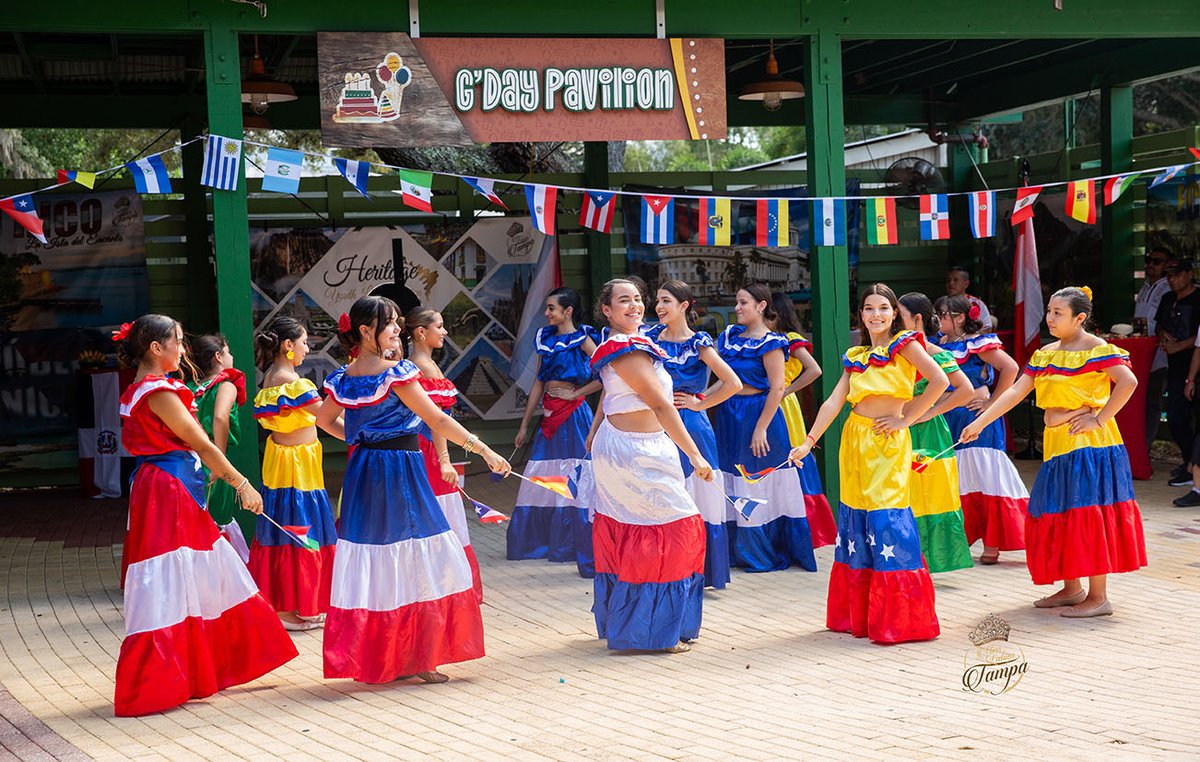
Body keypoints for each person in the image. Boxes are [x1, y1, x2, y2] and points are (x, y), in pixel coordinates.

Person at [316, 296, 511, 684]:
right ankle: (418, 656)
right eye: (389, 324)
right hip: (400, 472)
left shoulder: (345, 375)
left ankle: (387, 655)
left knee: (377, 559)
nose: (397, 330)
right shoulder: (396, 373)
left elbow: (325, 421)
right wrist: (486, 450)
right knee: (420, 555)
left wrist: (361, 442)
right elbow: (436, 417)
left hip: (364, 472)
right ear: (365, 330)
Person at [113, 315, 296, 716]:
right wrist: (242, 484)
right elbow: (202, 444)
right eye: (177, 341)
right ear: (155, 348)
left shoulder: (145, 389)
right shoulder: (156, 391)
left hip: (167, 487)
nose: (183, 348)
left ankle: (194, 670)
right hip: (167, 491)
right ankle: (167, 676)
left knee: (195, 572)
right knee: (176, 576)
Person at [962, 287, 1146, 617]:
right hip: (1058, 447)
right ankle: (1073, 588)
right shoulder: (1046, 353)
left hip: (1091, 449)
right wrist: (982, 421)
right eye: (1049, 311)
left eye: (1058, 313)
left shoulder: (1097, 349)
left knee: (1088, 515)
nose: (1050, 318)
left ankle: (1099, 596)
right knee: (1059, 512)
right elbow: (1016, 391)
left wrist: (1099, 418)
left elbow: (1128, 382)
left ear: (1080, 317)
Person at [789, 284, 948, 644]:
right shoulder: (856, 354)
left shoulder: (905, 345)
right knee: (857, 520)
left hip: (887, 441)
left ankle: (902, 620)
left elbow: (940, 381)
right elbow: (832, 402)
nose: (875, 314)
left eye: (883, 308)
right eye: (868, 308)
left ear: (894, 313)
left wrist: (907, 420)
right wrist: (808, 441)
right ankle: (859, 616)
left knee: (887, 519)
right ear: (860, 315)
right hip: (855, 440)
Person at [586, 278, 710, 652]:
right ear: (606, 310)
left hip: (644, 446)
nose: (635, 306)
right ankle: (651, 631)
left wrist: (592, 434)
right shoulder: (625, 348)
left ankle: (639, 624)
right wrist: (695, 454)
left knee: (646, 530)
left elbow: (609, 397)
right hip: (633, 453)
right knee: (671, 530)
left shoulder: (633, 344)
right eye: (624, 301)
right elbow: (661, 404)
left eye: (638, 299)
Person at [714, 283, 829, 573]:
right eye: (737, 303)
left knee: (759, 479)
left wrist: (761, 429)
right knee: (732, 478)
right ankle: (736, 549)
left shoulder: (773, 342)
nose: (737, 308)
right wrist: (700, 402)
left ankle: (764, 550)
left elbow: (778, 388)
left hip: (759, 414)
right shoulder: (728, 338)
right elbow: (722, 381)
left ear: (761, 306)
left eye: (743, 303)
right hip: (729, 415)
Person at [643, 280, 742, 588]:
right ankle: (664, 566)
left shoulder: (698, 343)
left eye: (666, 301)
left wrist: (701, 404)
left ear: (684, 306)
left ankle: (702, 570)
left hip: (691, 425)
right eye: (657, 301)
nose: (659, 307)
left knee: (699, 495)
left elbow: (733, 383)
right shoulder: (648, 338)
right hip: (656, 423)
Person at [249, 317, 338, 631]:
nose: (307, 348)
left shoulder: (270, 378)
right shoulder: (294, 383)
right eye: (303, 342)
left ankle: (288, 605)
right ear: (288, 346)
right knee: (301, 529)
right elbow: (328, 420)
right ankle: (296, 608)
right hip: (297, 470)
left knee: (284, 531)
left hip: (281, 464)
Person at [510, 287, 601, 577]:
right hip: (549, 416)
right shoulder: (545, 339)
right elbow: (539, 382)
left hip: (575, 416)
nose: (547, 313)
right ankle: (540, 541)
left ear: (568, 311)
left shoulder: (585, 338)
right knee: (542, 474)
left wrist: (578, 394)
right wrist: (524, 423)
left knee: (574, 475)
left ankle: (571, 543)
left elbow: (606, 375)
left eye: (552, 308)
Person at [937, 294, 1029, 564]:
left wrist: (993, 403)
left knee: (987, 478)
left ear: (960, 317)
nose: (939, 319)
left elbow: (1010, 367)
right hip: (950, 419)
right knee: (960, 479)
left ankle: (993, 543)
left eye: (943, 314)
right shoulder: (937, 343)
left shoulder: (977, 343)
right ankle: (963, 537)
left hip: (978, 420)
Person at [405, 306, 483, 600]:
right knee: (441, 514)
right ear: (421, 332)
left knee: (440, 513)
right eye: (440, 326)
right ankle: (448, 585)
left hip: (429, 447)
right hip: (428, 450)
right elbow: (434, 419)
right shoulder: (422, 366)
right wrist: (445, 459)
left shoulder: (422, 364)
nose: (445, 331)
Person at [897, 293, 976, 573]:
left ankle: (928, 562)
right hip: (898, 429)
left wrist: (927, 412)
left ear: (916, 319)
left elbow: (965, 390)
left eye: (898, 314)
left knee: (929, 495)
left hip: (927, 433)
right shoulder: (893, 351)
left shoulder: (934, 353)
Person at [766, 291, 837, 547]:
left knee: (792, 460)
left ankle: (810, 531)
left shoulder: (790, 339)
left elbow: (815, 369)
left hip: (783, 406)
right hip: (768, 403)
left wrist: (787, 389)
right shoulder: (765, 338)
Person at [187, 333, 251, 561]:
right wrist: (219, 459)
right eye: (228, 351)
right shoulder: (225, 385)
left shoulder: (189, 388)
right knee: (218, 518)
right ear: (218, 356)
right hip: (213, 459)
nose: (232, 356)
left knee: (197, 519)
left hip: (190, 461)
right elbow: (221, 418)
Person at [1154, 258, 1200, 487]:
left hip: (1195, 366)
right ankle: (1189, 462)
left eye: (1177, 275)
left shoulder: (1198, 299)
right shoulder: (1167, 299)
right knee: (1175, 419)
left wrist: (1179, 346)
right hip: (1175, 368)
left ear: (1189, 274)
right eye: (1169, 276)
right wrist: (1164, 335)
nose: (1172, 280)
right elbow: (1158, 325)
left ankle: (1193, 467)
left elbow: (1199, 338)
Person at [1135, 246, 1172, 449]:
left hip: (1159, 354)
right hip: (1141, 352)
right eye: (1149, 261)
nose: (1151, 265)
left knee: (1153, 402)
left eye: (1156, 262)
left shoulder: (1168, 287)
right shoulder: (1145, 287)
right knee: (1139, 401)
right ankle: (1138, 445)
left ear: (1166, 266)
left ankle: (1145, 446)